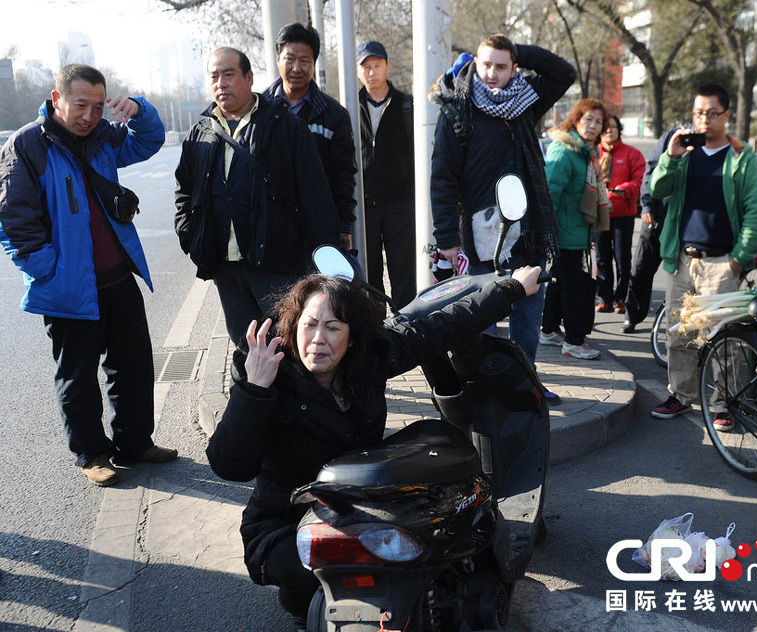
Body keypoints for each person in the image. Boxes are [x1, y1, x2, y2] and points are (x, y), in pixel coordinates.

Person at [205, 263, 542, 627]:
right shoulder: (271, 376)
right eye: (310, 325)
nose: (318, 338)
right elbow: (229, 465)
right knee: (322, 579)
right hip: (287, 523)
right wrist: (254, 390)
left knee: (436, 448)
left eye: (333, 327)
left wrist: (510, 290)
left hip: (362, 504)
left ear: (351, 337)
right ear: (293, 328)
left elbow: (438, 327)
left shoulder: (371, 357)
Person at [0, 63, 176, 487]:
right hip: (68, 287)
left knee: (133, 366)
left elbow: (148, 141)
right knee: (78, 377)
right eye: (81, 105)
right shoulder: (27, 145)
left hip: (117, 276)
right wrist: (50, 273)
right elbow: (13, 220)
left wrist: (137, 109)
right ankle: (92, 454)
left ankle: (135, 443)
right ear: (57, 99)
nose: (89, 116)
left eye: (98, 107)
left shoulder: (103, 137)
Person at [175, 47, 340, 347]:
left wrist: (323, 252)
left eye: (228, 75)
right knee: (245, 344)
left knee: (287, 343)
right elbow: (184, 191)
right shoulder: (200, 132)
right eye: (214, 77)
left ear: (249, 77)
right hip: (225, 267)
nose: (221, 83)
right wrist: (191, 237)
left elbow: (314, 194)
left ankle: (294, 395)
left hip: (277, 264)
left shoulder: (283, 126)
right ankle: (254, 393)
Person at [429, 34, 575, 372]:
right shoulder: (456, 107)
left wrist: (519, 50)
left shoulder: (525, 100)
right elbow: (443, 177)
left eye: (501, 65)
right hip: (483, 233)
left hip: (530, 229)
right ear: (475, 63)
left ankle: (525, 383)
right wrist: (447, 238)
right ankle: (485, 390)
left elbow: (563, 73)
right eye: (486, 64)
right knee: (483, 317)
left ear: (514, 68)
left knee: (528, 315)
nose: (492, 72)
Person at [649, 84, 757, 426]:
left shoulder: (741, 159)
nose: (703, 120)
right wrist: (670, 157)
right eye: (698, 113)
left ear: (726, 115)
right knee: (679, 333)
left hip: (721, 262)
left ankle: (723, 402)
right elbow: (657, 190)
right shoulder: (685, 156)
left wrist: (738, 258)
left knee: (723, 338)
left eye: (711, 113)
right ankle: (681, 395)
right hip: (683, 259)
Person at [264, 23, 357, 251]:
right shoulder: (260, 109)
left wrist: (344, 226)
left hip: (318, 226)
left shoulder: (333, 114)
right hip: (272, 227)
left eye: (304, 61)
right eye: (290, 58)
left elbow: (343, 174)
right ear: (278, 59)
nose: (297, 67)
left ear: (313, 63)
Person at [539, 98, 611, 360]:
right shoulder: (565, 151)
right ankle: (573, 342)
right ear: (576, 120)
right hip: (566, 234)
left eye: (598, 122)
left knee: (560, 284)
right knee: (573, 287)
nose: (592, 126)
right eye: (587, 119)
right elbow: (550, 195)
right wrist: (550, 234)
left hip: (576, 232)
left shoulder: (586, 152)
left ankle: (548, 330)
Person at [357, 41, 416, 310]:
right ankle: (375, 324)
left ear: (387, 67)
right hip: (364, 203)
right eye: (366, 66)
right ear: (359, 71)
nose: (371, 72)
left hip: (400, 203)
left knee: (403, 268)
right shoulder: (349, 106)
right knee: (368, 271)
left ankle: (405, 324)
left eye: (376, 65)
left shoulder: (407, 105)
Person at [622, 128, 675, 333]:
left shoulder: (714, 143)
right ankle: (632, 316)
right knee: (641, 268)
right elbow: (651, 171)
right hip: (657, 216)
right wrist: (647, 205)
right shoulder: (673, 136)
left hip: (684, 222)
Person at [595, 114, 645, 314]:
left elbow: (640, 179)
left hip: (623, 213)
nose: (609, 130)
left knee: (622, 258)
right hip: (599, 213)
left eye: (613, 127)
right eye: (606, 127)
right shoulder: (591, 152)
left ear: (619, 130)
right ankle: (604, 298)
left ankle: (621, 298)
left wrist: (624, 188)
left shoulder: (632, 153)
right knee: (601, 258)